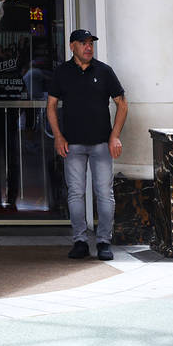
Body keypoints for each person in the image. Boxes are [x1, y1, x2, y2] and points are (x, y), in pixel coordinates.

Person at [46, 29, 128, 261]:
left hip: (102, 143)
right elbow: (51, 106)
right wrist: (59, 136)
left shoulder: (104, 71)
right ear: (72, 46)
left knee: (104, 193)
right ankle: (80, 241)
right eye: (83, 43)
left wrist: (115, 135)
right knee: (76, 194)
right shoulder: (62, 73)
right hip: (72, 145)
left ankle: (104, 242)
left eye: (90, 43)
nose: (88, 47)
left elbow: (122, 103)